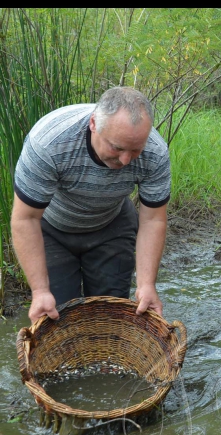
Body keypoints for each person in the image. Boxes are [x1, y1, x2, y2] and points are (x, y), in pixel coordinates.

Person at [11, 86, 171, 323]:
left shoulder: (155, 152)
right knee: (61, 317)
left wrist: (147, 285)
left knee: (109, 316)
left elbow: (153, 218)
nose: (125, 160)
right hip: (52, 230)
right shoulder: (49, 143)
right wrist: (40, 291)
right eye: (116, 147)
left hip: (112, 226)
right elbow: (25, 218)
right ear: (94, 124)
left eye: (135, 150)